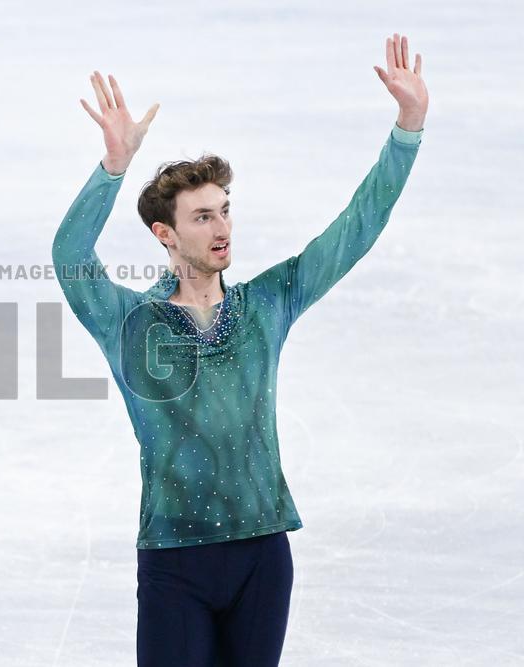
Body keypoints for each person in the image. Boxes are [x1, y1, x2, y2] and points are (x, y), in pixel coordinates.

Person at [51, 33, 427, 666]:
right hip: (174, 558)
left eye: (225, 210)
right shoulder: (132, 323)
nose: (222, 227)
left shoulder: (266, 305)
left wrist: (407, 129)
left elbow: (355, 228)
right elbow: (69, 258)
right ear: (165, 234)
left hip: (263, 555)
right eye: (202, 217)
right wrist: (113, 167)